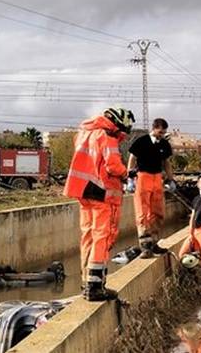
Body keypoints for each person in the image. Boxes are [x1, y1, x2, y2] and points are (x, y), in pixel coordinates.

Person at [64, 107, 134, 301]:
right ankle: (95, 287)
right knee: (102, 236)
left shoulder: (83, 134)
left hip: (83, 191)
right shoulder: (107, 137)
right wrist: (127, 173)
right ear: (119, 123)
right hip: (102, 192)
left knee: (87, 235)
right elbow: (112, 165)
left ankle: (86, 282)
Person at [128, 118, 174, 258]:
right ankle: (145, 246)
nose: (161, 134)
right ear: (154, 128)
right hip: (143, 177)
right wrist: (130, 177)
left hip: (157, 178)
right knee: (143, 213)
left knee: (158, 212)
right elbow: (132, 158)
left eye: (164, 132)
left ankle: (154, 243)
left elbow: (166, 162)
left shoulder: (164, 144)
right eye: (160, 132)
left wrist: (171, 179)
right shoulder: (141, 142)